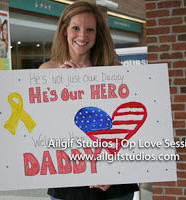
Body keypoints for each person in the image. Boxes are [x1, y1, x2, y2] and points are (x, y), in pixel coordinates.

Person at [39, 1, 139, 200]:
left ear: (98, 34)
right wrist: (58, 86)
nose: (82, 36)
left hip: (114, 184)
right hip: (68, 181)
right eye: (75, 28)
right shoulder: (47, 72)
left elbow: (130, 133)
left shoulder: (116, 72)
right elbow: (43, 130)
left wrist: (113, 170)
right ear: (64, 31)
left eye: (90, 29)